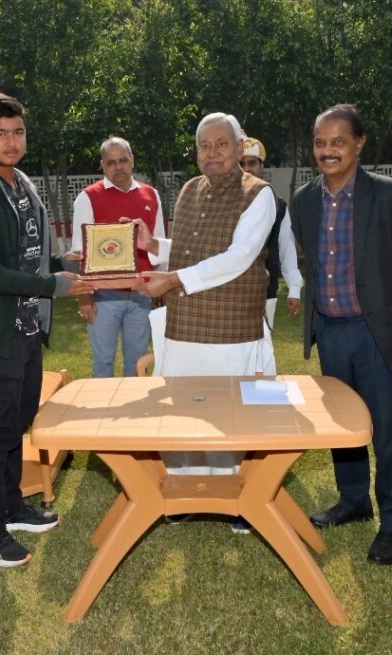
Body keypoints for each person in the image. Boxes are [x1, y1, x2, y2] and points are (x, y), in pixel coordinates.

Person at [0, 92, 94, 567]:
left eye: (18, 132)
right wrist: (52, 284)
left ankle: (10, 507)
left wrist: (60, 262)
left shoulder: (20, 183)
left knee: (17, 421)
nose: (11, 142)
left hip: (24, 329)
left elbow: (22, 256)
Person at [290, 104, 392, 565]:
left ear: (360, 143)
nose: (328, 151)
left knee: (387, 430)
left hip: (376, 333)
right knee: (343, 426)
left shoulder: (391, 195)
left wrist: (381, 298)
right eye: (320, 143)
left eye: (338, 142)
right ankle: (353, 501)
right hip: (330, 331)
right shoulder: (304, 200)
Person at [133, 112, 277, 533]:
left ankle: (240, 499)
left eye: (221, 144)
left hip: (230, 330)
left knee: (231, 419)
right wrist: (153, 244)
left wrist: (172, 279)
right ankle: (185, 493)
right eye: (204, 145)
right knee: (184, 416)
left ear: (239, 147)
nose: (212, 153)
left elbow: (238, 257)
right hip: (184, 328)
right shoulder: (189, 190)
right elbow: (192, 247)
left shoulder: (258, 194)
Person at [70, 136, 165, 377]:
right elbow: (80, 252)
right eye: (111, 162)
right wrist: (84, 297)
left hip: (142, 293)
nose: (118, 167)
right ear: (102, 166)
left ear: (132, 160)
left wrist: (162, 286)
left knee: (138, 362)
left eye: (123, 160)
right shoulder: (88, 197)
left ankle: (133, 402)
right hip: (103, 297)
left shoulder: (151, 194)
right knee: (103, 362)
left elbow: (160, 245)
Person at [238, 136, 302, 328]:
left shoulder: (278, 206)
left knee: (262, 344)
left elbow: (287, 249)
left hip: (266, 293)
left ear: (262, 166)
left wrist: (294, 289)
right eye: (241, 164)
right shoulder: (223, 204)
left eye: (252, 163)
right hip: (227, 293)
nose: (247, 169)